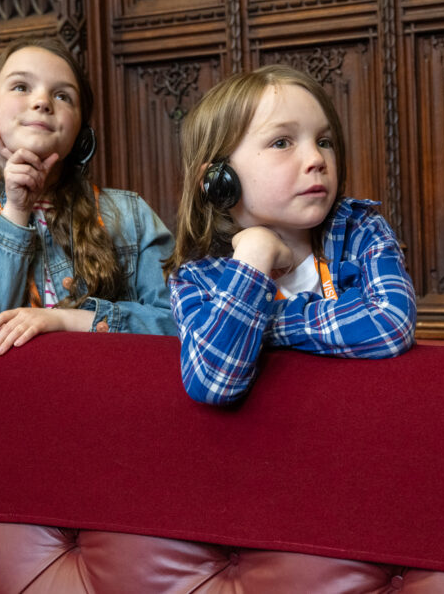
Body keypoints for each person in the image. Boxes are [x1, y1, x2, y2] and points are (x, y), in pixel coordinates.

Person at [164, 65, 416, 405]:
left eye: (324, 141)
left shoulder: (361, 228)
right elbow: (211, 381)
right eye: (282, 142)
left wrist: (260, 325)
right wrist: (254, 257)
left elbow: (390, 323)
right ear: (218, 178)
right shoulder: (196, 279)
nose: (316, 158)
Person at [0, 36, 175, 353]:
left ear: (81, 133)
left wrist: (68, 320)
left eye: (63, 96)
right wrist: (16, 209)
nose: (43, 102)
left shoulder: (131, 215)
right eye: (21, 87)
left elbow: (179, 323)